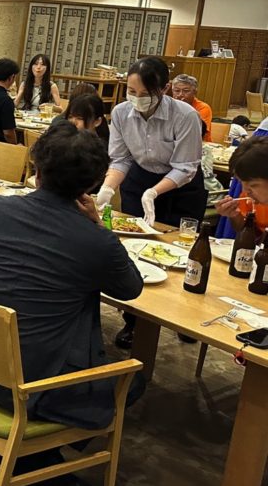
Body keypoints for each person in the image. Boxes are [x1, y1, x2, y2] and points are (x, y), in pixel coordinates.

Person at [0, 122, 143, 486]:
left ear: (36, 166)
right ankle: (34, 456)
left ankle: (26, 447)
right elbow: (130, 288)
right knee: (132, 380)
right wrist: (96, 226)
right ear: (91, 185)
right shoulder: (95, 240)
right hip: (26, 388)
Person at [95, 56, 203, 349]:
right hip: (138, 179)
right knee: (136, 251)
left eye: (145, 93)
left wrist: (155, 192)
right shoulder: (120, 113)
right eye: (132, 91)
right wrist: (107, 188)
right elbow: (121, 159)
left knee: (179, 254)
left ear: (164, 89)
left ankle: (186, 318)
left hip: (180, 187)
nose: (137, 99)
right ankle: (134, 322)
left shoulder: (185, 115)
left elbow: (186, 167)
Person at [216, 123, 268, 239]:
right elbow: (247, 232)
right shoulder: (251, 197)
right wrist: (234, 215)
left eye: (253, 185)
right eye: (241, 183)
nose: (245, 191)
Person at [171, 74, 213, 142]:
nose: (180, 94)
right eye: (177, 91)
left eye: (186, 91)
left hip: (198, 143)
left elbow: (197, 131)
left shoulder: (203, 107)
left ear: (195, 92)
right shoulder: (169, 105)